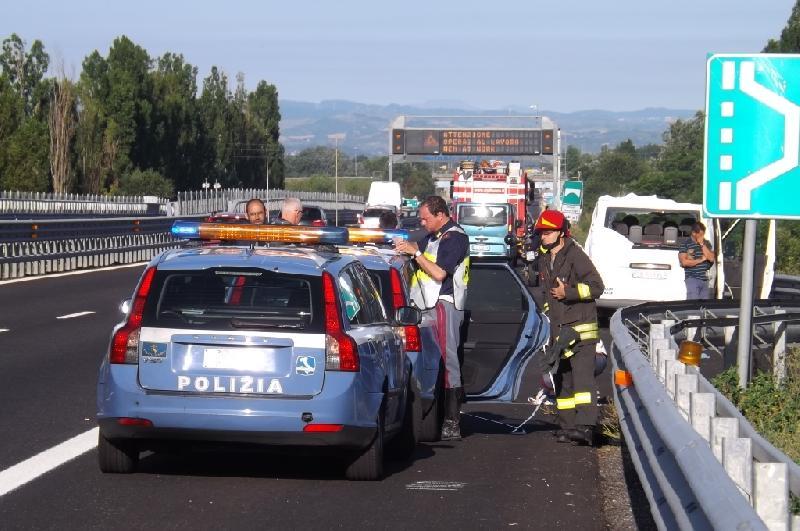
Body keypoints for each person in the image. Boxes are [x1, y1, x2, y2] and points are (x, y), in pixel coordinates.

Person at [394, 196, 470, 441]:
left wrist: (416, 253)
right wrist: (404, 248)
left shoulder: (455, 238)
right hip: (425, 305)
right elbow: (417, 253)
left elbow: (438, 274)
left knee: (448, 362)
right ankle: (434, 415)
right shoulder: (433, 236)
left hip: (445, 304)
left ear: (440, 215)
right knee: (432, 362)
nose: (422, 223)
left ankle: (452, 422)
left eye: (425, 219)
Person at [532, 209, 604, 446]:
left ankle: (586, 427)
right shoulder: (546, 258)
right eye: (541, 232)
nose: (543, 236)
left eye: (548, 232)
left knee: (583, 381)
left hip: (581, 331)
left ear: (561, 233)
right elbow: (547, 296)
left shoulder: (575, 255)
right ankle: (567, 426)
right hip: (559, 332)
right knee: (562, 381)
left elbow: (597, 287)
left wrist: (569, 293)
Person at [679, 221, 715, 299]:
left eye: (703, 234)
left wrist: (702, 244)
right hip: (692, 279)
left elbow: (711, 258)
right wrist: (701, 260)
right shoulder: (685, 244)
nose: (702, 236)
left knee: (704, 304)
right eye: (700, 234)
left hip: (704, 280)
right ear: (693, 233)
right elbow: (684, 262)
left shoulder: (706, 243)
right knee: (693, 302)